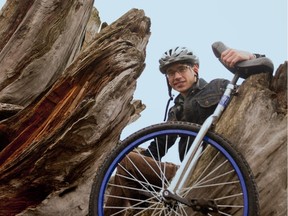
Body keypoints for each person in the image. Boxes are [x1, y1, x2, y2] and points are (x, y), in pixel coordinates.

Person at [104, 45, 265, 215]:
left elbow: (260, 78)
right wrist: (140, 159)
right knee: (125, 163)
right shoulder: (175, 110)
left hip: (212, 165)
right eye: (171, 73)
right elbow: (159, 147)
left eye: (182, 69)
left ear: (195, 69)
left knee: (126, 160)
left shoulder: (218, 87)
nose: (177, 76)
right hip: (183, 174)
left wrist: (249, 56)